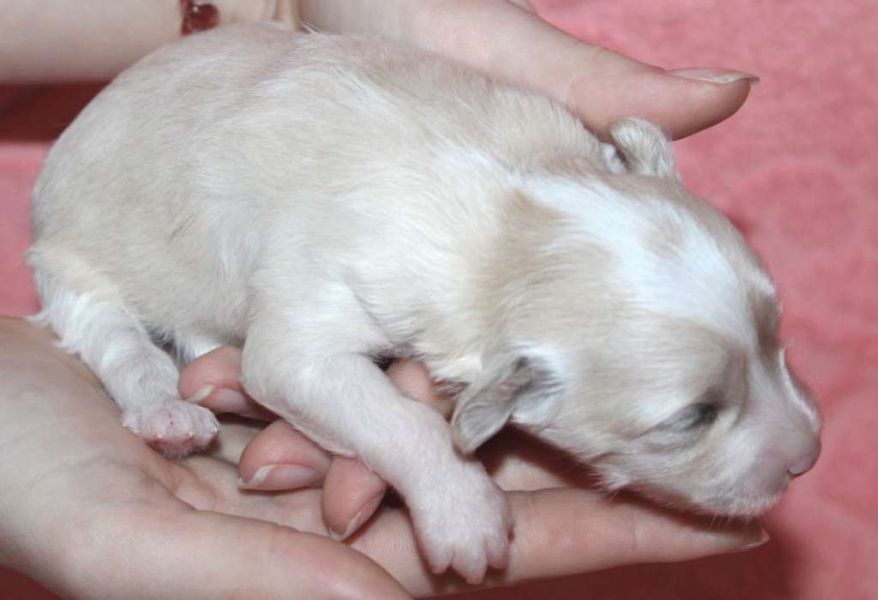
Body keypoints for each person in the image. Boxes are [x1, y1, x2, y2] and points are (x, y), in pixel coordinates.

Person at [0, 1, 765, 597]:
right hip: (104, 243)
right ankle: (141, 375)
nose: (802, 447)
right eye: (693, 415)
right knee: (120, 322)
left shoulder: (549, 143)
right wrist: (432, 466)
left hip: (235, 101)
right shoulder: (382, 239)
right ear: (506, 390)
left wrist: (279, 5)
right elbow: (286, 364)